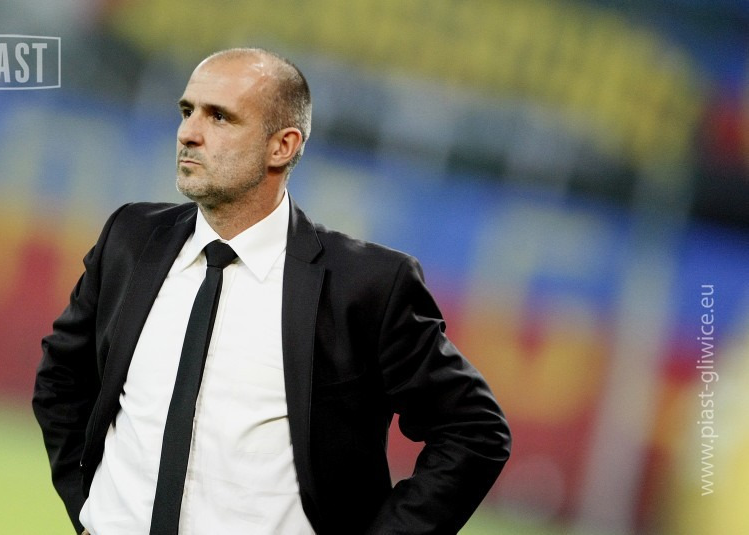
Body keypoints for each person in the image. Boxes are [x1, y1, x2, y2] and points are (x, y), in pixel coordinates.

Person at [33, 47, 511, 535]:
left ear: (282, 146)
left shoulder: (365, 286)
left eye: (219, 117)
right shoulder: (131, 239)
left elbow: (473, 431)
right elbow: (60, 378)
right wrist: (89, 507)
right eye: (187, 111)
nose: (188, 133)